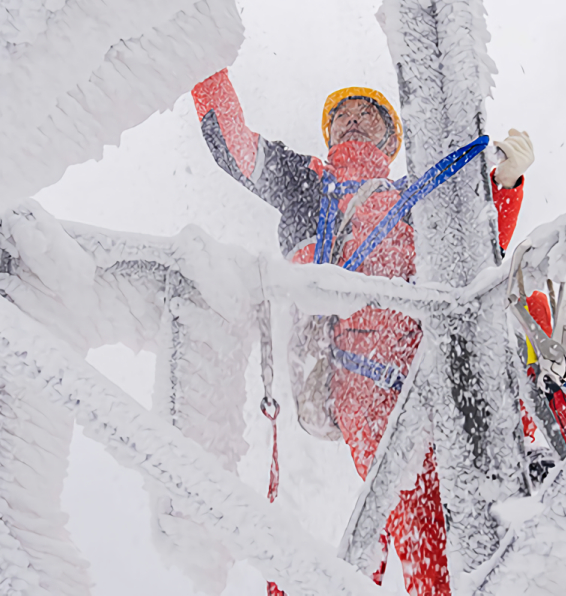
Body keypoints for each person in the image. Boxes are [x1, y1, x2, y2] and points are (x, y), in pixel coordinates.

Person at [191, 69, 534, 596]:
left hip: (432, 359)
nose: (351, 121)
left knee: (489, 479)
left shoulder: (419, 196)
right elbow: (235, 148)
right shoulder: (306, 183)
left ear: (391, 139)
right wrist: (203, 58)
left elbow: (471, 257)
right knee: (415, 504)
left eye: (366, 115)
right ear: (327, 136)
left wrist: (504, 185)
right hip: (358, 369)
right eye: (341, 116)